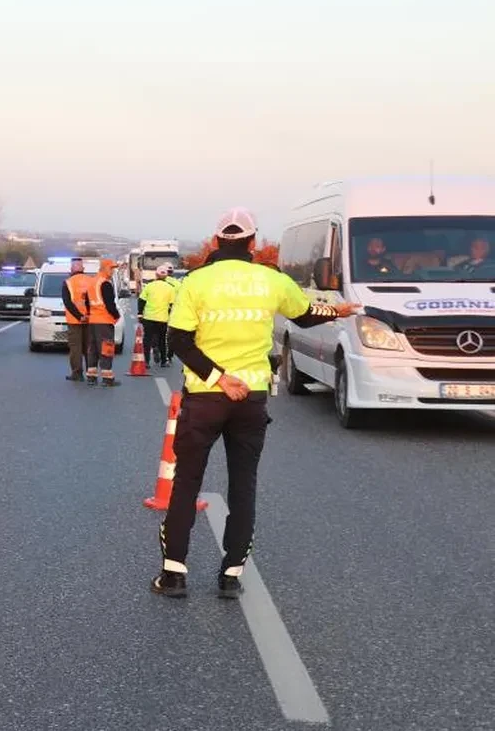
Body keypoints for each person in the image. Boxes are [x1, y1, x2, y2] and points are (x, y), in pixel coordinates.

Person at [153, 207, 358, 600]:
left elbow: (177, 340)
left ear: (215, 242)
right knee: (242, 485)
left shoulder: (196, 281)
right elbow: (305, 315)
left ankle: (174, 575)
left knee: (186, 484)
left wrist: (217, 377)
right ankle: (230, 575)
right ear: (253, 242)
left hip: (206, 396)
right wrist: (339, 309)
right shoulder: (271, 280)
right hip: (251, 398)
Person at [84, 259, 121, 386]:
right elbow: (110, 304)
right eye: (111, 268)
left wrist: (90, 315)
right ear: (104, 268)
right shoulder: (105, 284)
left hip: (93, 320)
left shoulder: (92, 283)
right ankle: (107, 378)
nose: (113, 271)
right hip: (104, 321)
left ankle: (91, 376)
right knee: (106, 348)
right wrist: (117, 316)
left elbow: (87, 303)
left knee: (92, 349)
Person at [138, 264, 179, 367]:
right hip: (162, 319)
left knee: (147, 340)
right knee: (162, 341)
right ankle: (163, 362)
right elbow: (172, 304)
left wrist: (140, 313)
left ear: (156, 275)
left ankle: (146, 362)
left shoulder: (149, 286)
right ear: (166, 276)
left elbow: (141, 300)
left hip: (149, 318)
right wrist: (170, 317)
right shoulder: (170, 288)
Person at [62, 257, 92, 381]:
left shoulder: (68, 282)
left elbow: (67, 302)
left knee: (76, 348)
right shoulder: (91, 281)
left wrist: (79, 317)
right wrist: (88, 315)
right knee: (89, 347)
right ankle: (92, 372)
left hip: (74, 321)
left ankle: (77, 373)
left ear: (71, 269)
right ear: (83, 269)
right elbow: (93, 300)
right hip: (90, 320)